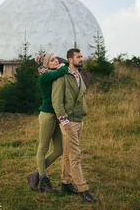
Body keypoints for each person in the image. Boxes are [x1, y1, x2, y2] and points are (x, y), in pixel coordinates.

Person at [51, 48, 99, 203]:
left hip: (79, 119)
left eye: (81, 56)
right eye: (78, 57)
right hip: (69, 121)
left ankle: (66, 183)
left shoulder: (78, 75)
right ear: (70, 59)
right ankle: (83, 189)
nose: (81, 59)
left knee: (67, 154)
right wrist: (64, 120)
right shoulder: (62, 77)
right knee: (75, 155)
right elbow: (57, 101)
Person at [25, 52, 68, 194]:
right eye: (52, 60)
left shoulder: (55, 72)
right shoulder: (45, 76)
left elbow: (73, 67)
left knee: (59, 149)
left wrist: (65, 64)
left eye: (56, 58)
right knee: (43, 148)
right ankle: (44, 181)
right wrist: (64, 64)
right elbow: (64, 69)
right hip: (47, 115)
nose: (56, 61)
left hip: (55, 116)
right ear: (46, 64)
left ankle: (36, 173)